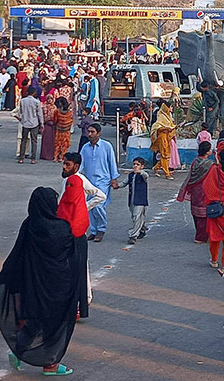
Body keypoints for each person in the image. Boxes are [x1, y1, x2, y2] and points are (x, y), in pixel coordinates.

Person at [0, 187, 77, 376]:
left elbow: (19, 253)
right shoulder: (61, 228)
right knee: (54, 324)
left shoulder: (29, 225)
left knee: (36, 319)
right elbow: (71, 251)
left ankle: (19, 350)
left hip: (32, 284)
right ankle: (50, 364)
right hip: (56, 285)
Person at [58, 152, 106, 321]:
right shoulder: (68, 181)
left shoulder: (79, 180)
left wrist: (83, 209)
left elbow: (101, 195)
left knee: (80, 266)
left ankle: (84, 300)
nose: (64, 167)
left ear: (76, 167)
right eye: (64, 164)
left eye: (67, 164)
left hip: (76, 229)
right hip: (66, 228)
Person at [79, 123, 120, 242]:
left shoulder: (106, 146)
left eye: (92, 132)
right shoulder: (85, 147)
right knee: (90, 205)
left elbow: (112, 162)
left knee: (99, 205)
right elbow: (81, 164)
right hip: (89, 181)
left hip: (103, 181)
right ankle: (93, 230)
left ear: (99, 133)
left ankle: (101, 229)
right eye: (89, 132)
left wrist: (114, 178)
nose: (90, 134)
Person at [177, 141, 215, 244]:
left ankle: (200, 233)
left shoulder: (195, 161)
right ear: (207, 152)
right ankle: (200, 237)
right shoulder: (209, 164)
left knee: (196, 213)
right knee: (203, 214)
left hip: (194, 190)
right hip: (203, 190)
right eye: (210, 149)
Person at [117, 158, 150, 244]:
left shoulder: (143, 175)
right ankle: (142, 229)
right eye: (134, 164)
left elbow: (146, 176)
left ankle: (133, 235)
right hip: (132, 200)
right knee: (135, 217)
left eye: (138, 165)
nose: (135, 166)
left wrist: (140, 172)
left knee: (136, 217)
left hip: (140, 200)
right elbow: (124, 183)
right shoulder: (131, 175)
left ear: (142, 166)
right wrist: (116, 186)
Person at [17, 87, 43, 164]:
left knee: (23, 140)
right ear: (34, 93)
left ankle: (21, 158)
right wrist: (42, 123)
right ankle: (33, 159)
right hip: (34, 123)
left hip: (25, 122)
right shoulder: (36, 102)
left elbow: (21, 111)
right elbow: (39, 114)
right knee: (34, 141)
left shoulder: (22, 101)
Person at [150, 103, 176, 180]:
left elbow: (170, 126)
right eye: (170, 107)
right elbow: (158, 127)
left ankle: (156, 168)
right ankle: (167, 174)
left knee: (166, 155)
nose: (171, 108)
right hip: (162, 138)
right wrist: (167, 129)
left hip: (167, 138)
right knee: (165, 155)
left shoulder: (168, 116)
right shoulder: (161, 116)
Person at [53, 98, 74, 162]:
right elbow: (71, 120)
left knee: (58, 143)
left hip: (60, 130)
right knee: (64, 144)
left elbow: (55, 120)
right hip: (66, 130)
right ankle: (60, 157)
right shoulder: (70, 112)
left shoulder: (57, 111)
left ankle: (56, 157)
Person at [39, 93, 57, 161]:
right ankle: (45, 155)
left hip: (53, 126)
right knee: (46, 141)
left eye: (51, 99)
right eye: (48, 99)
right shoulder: (44, 107)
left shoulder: (54, 107)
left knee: (52, 141)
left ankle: (51, 155)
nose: (49, 100)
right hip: (46, 125)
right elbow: (42, 116)